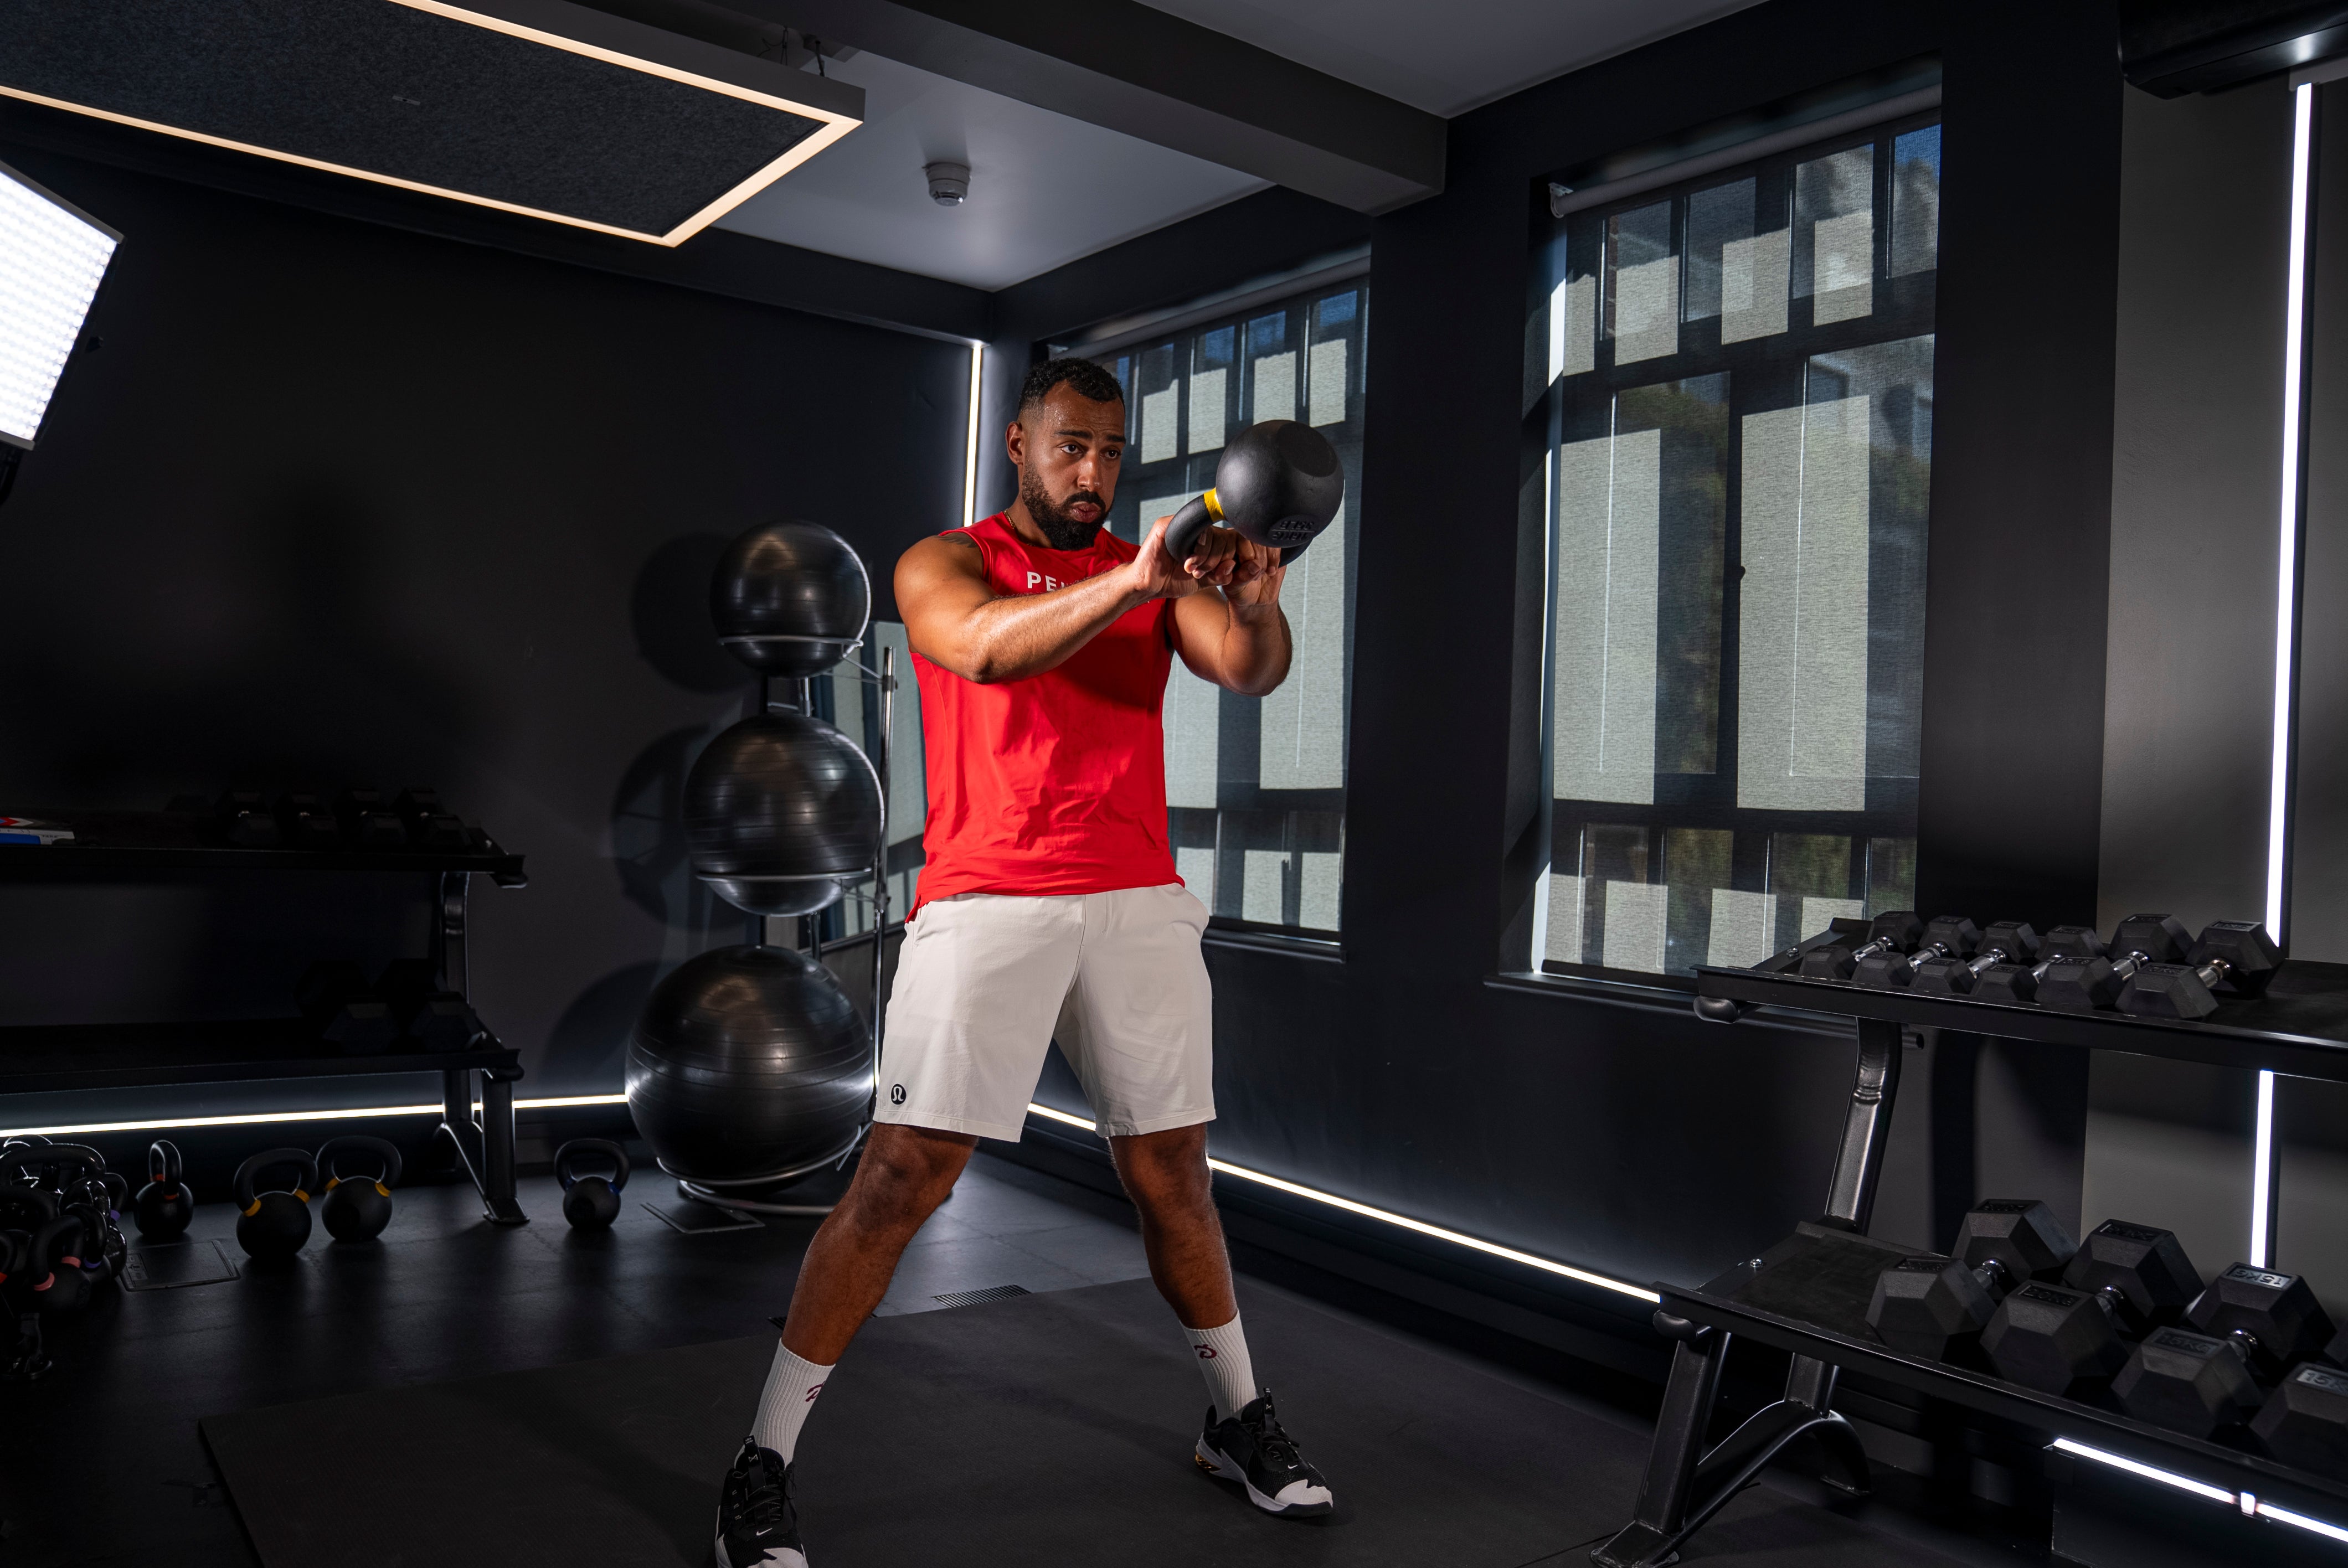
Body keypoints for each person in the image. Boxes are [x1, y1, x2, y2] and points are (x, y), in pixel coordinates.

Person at [712, 357, 1334, 1567]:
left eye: (1111, 451)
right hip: (987, 897)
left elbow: (1248, 669)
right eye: (1071, 447)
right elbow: (986, 651)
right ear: (1019, 445)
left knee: (1174, 1176)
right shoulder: (946, 562)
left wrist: (1255, 599)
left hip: (1134, 897)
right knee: (901, 1178)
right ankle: (761, 1461)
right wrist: (1136, 583)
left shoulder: (1152, 572)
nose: (1093, 472)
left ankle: (1235, 1420)